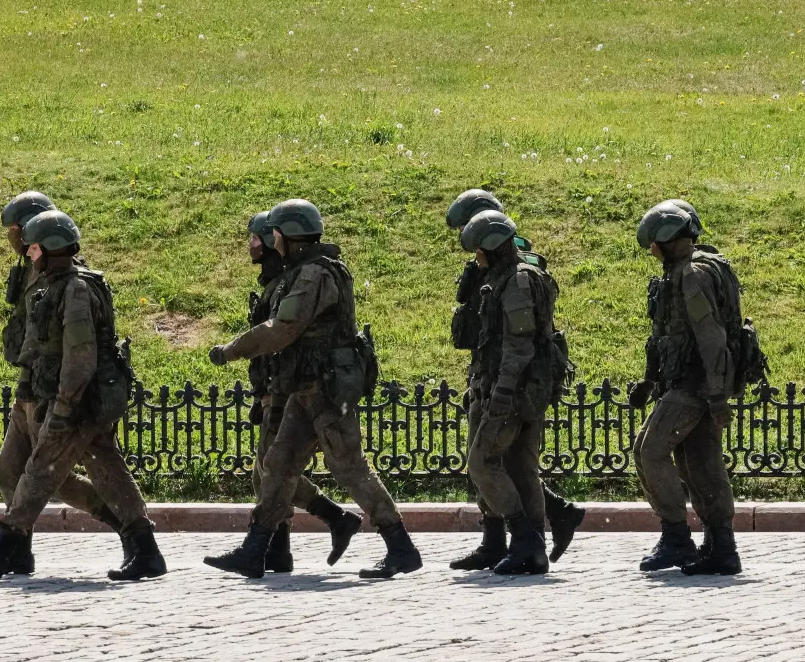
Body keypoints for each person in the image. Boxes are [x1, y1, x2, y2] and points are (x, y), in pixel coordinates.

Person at [204, 199, 421, 579]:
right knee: (279, 465)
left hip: (326, 390)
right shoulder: (302, 270)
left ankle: (401, 547)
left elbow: (283, 329)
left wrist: (231, 351)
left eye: (275, 233)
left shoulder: (315, 275)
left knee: (350, 468)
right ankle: (255, 550)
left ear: (289, 235)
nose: (272, 241)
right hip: (304, 388)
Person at [0, 210, 166, 581]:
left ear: (49, 249)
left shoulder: (75, 289)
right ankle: (144, 549)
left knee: (40, 469)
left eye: (33, 248)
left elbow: (80, 355)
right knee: (106, 467)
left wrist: (65, 405)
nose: (28, 255)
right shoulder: (57, 282)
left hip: (77, 400)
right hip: (67, 396)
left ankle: (5, 547)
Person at [444, 189, 585, 569]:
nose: (472, 256)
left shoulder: (518, 278)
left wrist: (503, 391)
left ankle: (525, 540)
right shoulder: (499, 273)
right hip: (496, 379)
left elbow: (519, 344)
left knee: (485, 462)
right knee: (516, 466)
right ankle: (508, 544)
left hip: (513, 385)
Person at [240, 211, 361, 573]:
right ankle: (280, 549)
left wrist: (271, 391)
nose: (250, 245)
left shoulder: (290, 278)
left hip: (289, 386)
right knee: (270, 470)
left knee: (272, 469)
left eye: (256, 238)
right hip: (277, 383)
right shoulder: (276, 279)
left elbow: (281, 336)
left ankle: (332, 519)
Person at [629, 200, 743, 576]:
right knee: (701, 464)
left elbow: (711, 337)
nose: (650, 250)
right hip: (693, 383)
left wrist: (715, 395)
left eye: (653, 243)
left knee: (649, 450)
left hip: (694, 385)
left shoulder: (692, 274)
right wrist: (649, 379)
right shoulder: (689, 269)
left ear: (665, 238)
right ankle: (721, 548)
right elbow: (665, 336)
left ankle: (677, 537)